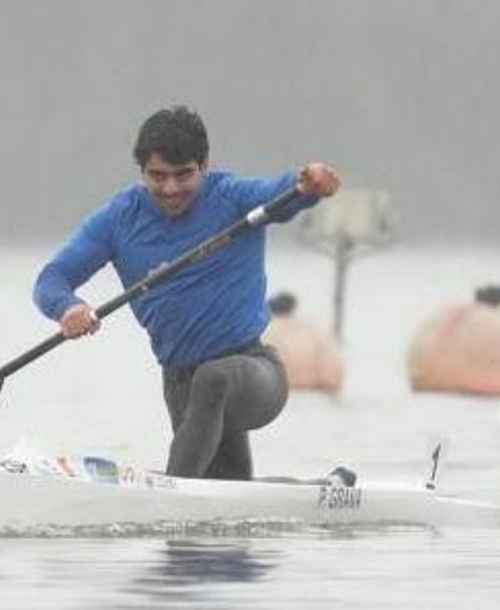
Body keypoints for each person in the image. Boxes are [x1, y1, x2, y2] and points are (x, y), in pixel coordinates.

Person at [33, 105, 341, 480]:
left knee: (213, 380)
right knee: (228, 491)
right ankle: (327, 488)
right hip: (179, 384)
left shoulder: (231, 197)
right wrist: (67, 307)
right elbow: (52, 279)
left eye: (183, 175)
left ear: (204, 165)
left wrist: (309, 183)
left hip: (254, 373)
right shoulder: (119, 219)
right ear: (141, 171)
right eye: (157, 176)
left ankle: (166, 497)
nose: (170, 189)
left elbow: (284, 194)